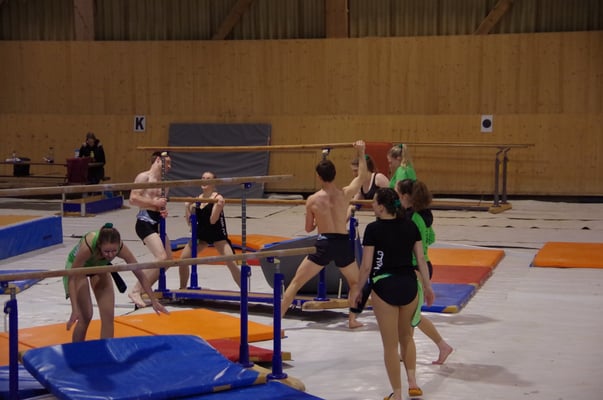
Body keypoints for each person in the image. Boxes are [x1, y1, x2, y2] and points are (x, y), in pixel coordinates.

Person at [349, 188, 434, 400]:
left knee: (390, 345)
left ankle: (397, 394)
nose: (371, 205)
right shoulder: (410, 225)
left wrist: (358, 290)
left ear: (381, 207)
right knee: (407, 337)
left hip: (385, 286)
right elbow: (421, 260)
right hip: (409, 285)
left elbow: (366, 266)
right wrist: (428, 287)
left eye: (374, 202)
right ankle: (413, 382)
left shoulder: (373, 229)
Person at [281, 140, 368, 329]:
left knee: (296, 283)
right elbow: (362, 176)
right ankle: (352, 320)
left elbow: (308, 229)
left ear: (319, 177)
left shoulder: (312, 200)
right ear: (335, 175)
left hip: (324, 243)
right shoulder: (345, 194)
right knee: (355, 283)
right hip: (343, 243)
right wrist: (361, 152)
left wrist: (318, 220)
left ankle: (277, 321)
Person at [64, 223, 169, 343]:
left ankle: (106, 350)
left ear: (118, 245)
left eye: (114, 251)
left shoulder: (121, 248)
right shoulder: (88, 247)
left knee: (108, 316)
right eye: (106, 251)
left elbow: (139, 273)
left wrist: (153, 300)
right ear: (99, 246)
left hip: (99, 267)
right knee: (85, 316)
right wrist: (74, 309)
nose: (110, 255)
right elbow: (72, 277)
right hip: (78, 269)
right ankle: (77, 350)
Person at [396, 178, 453, 365]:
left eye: (398, 195)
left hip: (417, 267)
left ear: (405, 196)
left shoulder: (414, 219)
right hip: (420, 265)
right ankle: (406, 350)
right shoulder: (421, 216)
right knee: (409, 313)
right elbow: (431, 238)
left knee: (412, 315)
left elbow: (416, 248)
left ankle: (442, 345)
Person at [127, 151, 188, 307]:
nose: (170, 166)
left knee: (167, 260)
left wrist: (162, 210)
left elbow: (160, 205)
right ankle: (136, 290)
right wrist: (155, 203)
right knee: (161, 257)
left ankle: (143, 289)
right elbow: (133, 199)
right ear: (158, 161)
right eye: (167, 163)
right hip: (144, 221)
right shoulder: (144, 177)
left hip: (157, 222)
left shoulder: (164, 184)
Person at [178, 171, 241, 288]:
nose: (204, 181)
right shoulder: (197, 199)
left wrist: (219, 206)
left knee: (231, 262)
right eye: (203, 178)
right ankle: (182, 289)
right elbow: (190, 224)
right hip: (201, 236)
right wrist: (187, 207)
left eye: (208, 179)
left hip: (217, 235)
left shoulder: (218, 198)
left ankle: (245, 291)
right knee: (183, 260)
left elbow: (212, 220)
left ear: (214, 183)